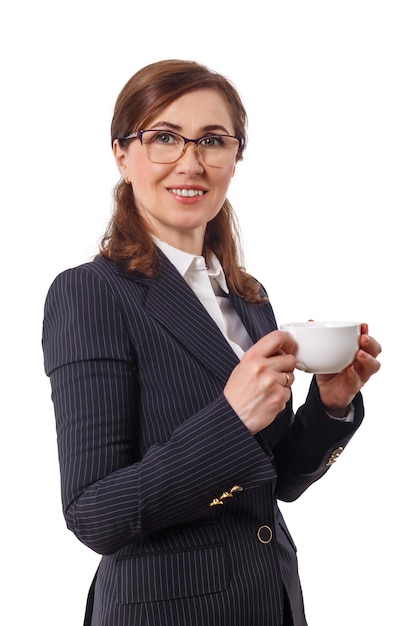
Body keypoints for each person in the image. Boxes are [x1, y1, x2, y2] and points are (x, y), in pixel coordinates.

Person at [42, 59, 381, 626]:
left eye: (213, 141)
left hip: (270, 604)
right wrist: (231, 417)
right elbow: (94, 515)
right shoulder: (89, 292)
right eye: (165, 138)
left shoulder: (247, 297)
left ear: (234, 158)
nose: (191, 162)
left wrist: (332, 402)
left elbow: (278, 482)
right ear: (122, 155)